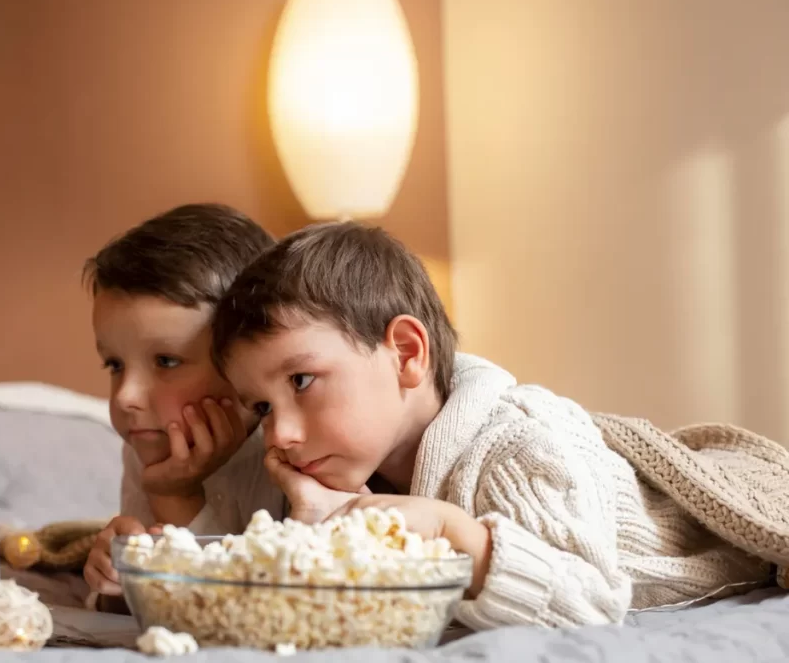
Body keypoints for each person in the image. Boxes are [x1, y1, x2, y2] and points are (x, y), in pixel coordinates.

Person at [209, 220, 773, 630]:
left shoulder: (520, 448)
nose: (279, 434)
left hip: (689, 535)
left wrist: (456, 534)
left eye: (302, 381)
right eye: (261, 407)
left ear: (406, 355)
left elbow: (592, 606)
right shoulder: (343, 468)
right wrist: (317, 518)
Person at [81, 204, 284, 600]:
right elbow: (164, 600)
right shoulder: (150, 443)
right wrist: (118, 583)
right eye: (114, 364)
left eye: (167, 361)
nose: (126, 397)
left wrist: (173, 497)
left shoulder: (292, 448)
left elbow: (243, 604)